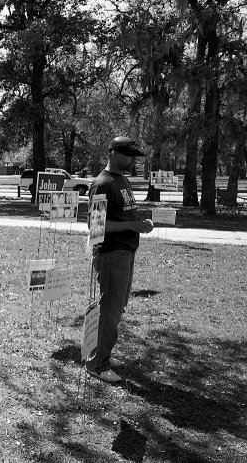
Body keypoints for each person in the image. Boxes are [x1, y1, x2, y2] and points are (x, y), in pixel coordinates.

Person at [86, 136, 154, 383]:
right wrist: (134, 225)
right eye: (127, 155)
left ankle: (100, 353)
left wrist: (137, 224)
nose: (132, 160)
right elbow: (96, 226)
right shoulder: (103, 184)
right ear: (113, 153)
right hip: (111, 254)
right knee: (110, 309)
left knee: (117, 307)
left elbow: (122, 215)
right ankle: (97, 365)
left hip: (125, 252)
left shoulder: (121, 180)